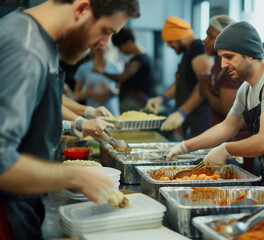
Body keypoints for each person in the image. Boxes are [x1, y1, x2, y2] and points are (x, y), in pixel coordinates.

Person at [0, 0, 140, 239]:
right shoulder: (26, 49)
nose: (103, 44)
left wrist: (82, 117)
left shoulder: (39, 39)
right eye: (106, 31)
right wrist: (75, 175)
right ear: (82, 8)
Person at [166, 21, 264, 209]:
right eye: (220, 57)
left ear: (250, 54)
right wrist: (185, 146)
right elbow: (227, 127)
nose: (223, 64)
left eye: (229, 56)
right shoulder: (246, 89)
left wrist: (226, 149)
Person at [144, 16, 213, 139]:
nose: (169, 46)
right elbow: (181, 82)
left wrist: (182, 112)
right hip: (190, 120)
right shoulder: (188, 51)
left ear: (179, 36)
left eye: (170, 41)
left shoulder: (198, 49)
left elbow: (203, 87)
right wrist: (162, 98)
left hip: (200, 120)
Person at [200, 15, 254, 173]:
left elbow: (226, 109)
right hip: (226, 140)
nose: (205, 40)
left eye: (210, 36)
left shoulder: (229, 71)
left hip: (236, 144)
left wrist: (206, 89)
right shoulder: (219, 66)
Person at [93, 28, 155, 113]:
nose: (121, 51)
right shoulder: (144, 57)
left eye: (120, 47)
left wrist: (101, 72)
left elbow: (122, 77)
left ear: (128, 42)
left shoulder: (139, 60)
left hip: (135, 102)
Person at [74, 43, 123, 116]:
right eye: (96, 44)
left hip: (112, 112)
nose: (99, 47)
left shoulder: (115, 67)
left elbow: (122, 92)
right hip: (92, 113)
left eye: (102, 44)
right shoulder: (84, 68)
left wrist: (110, 90)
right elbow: (76, 95)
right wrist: (89, 93)